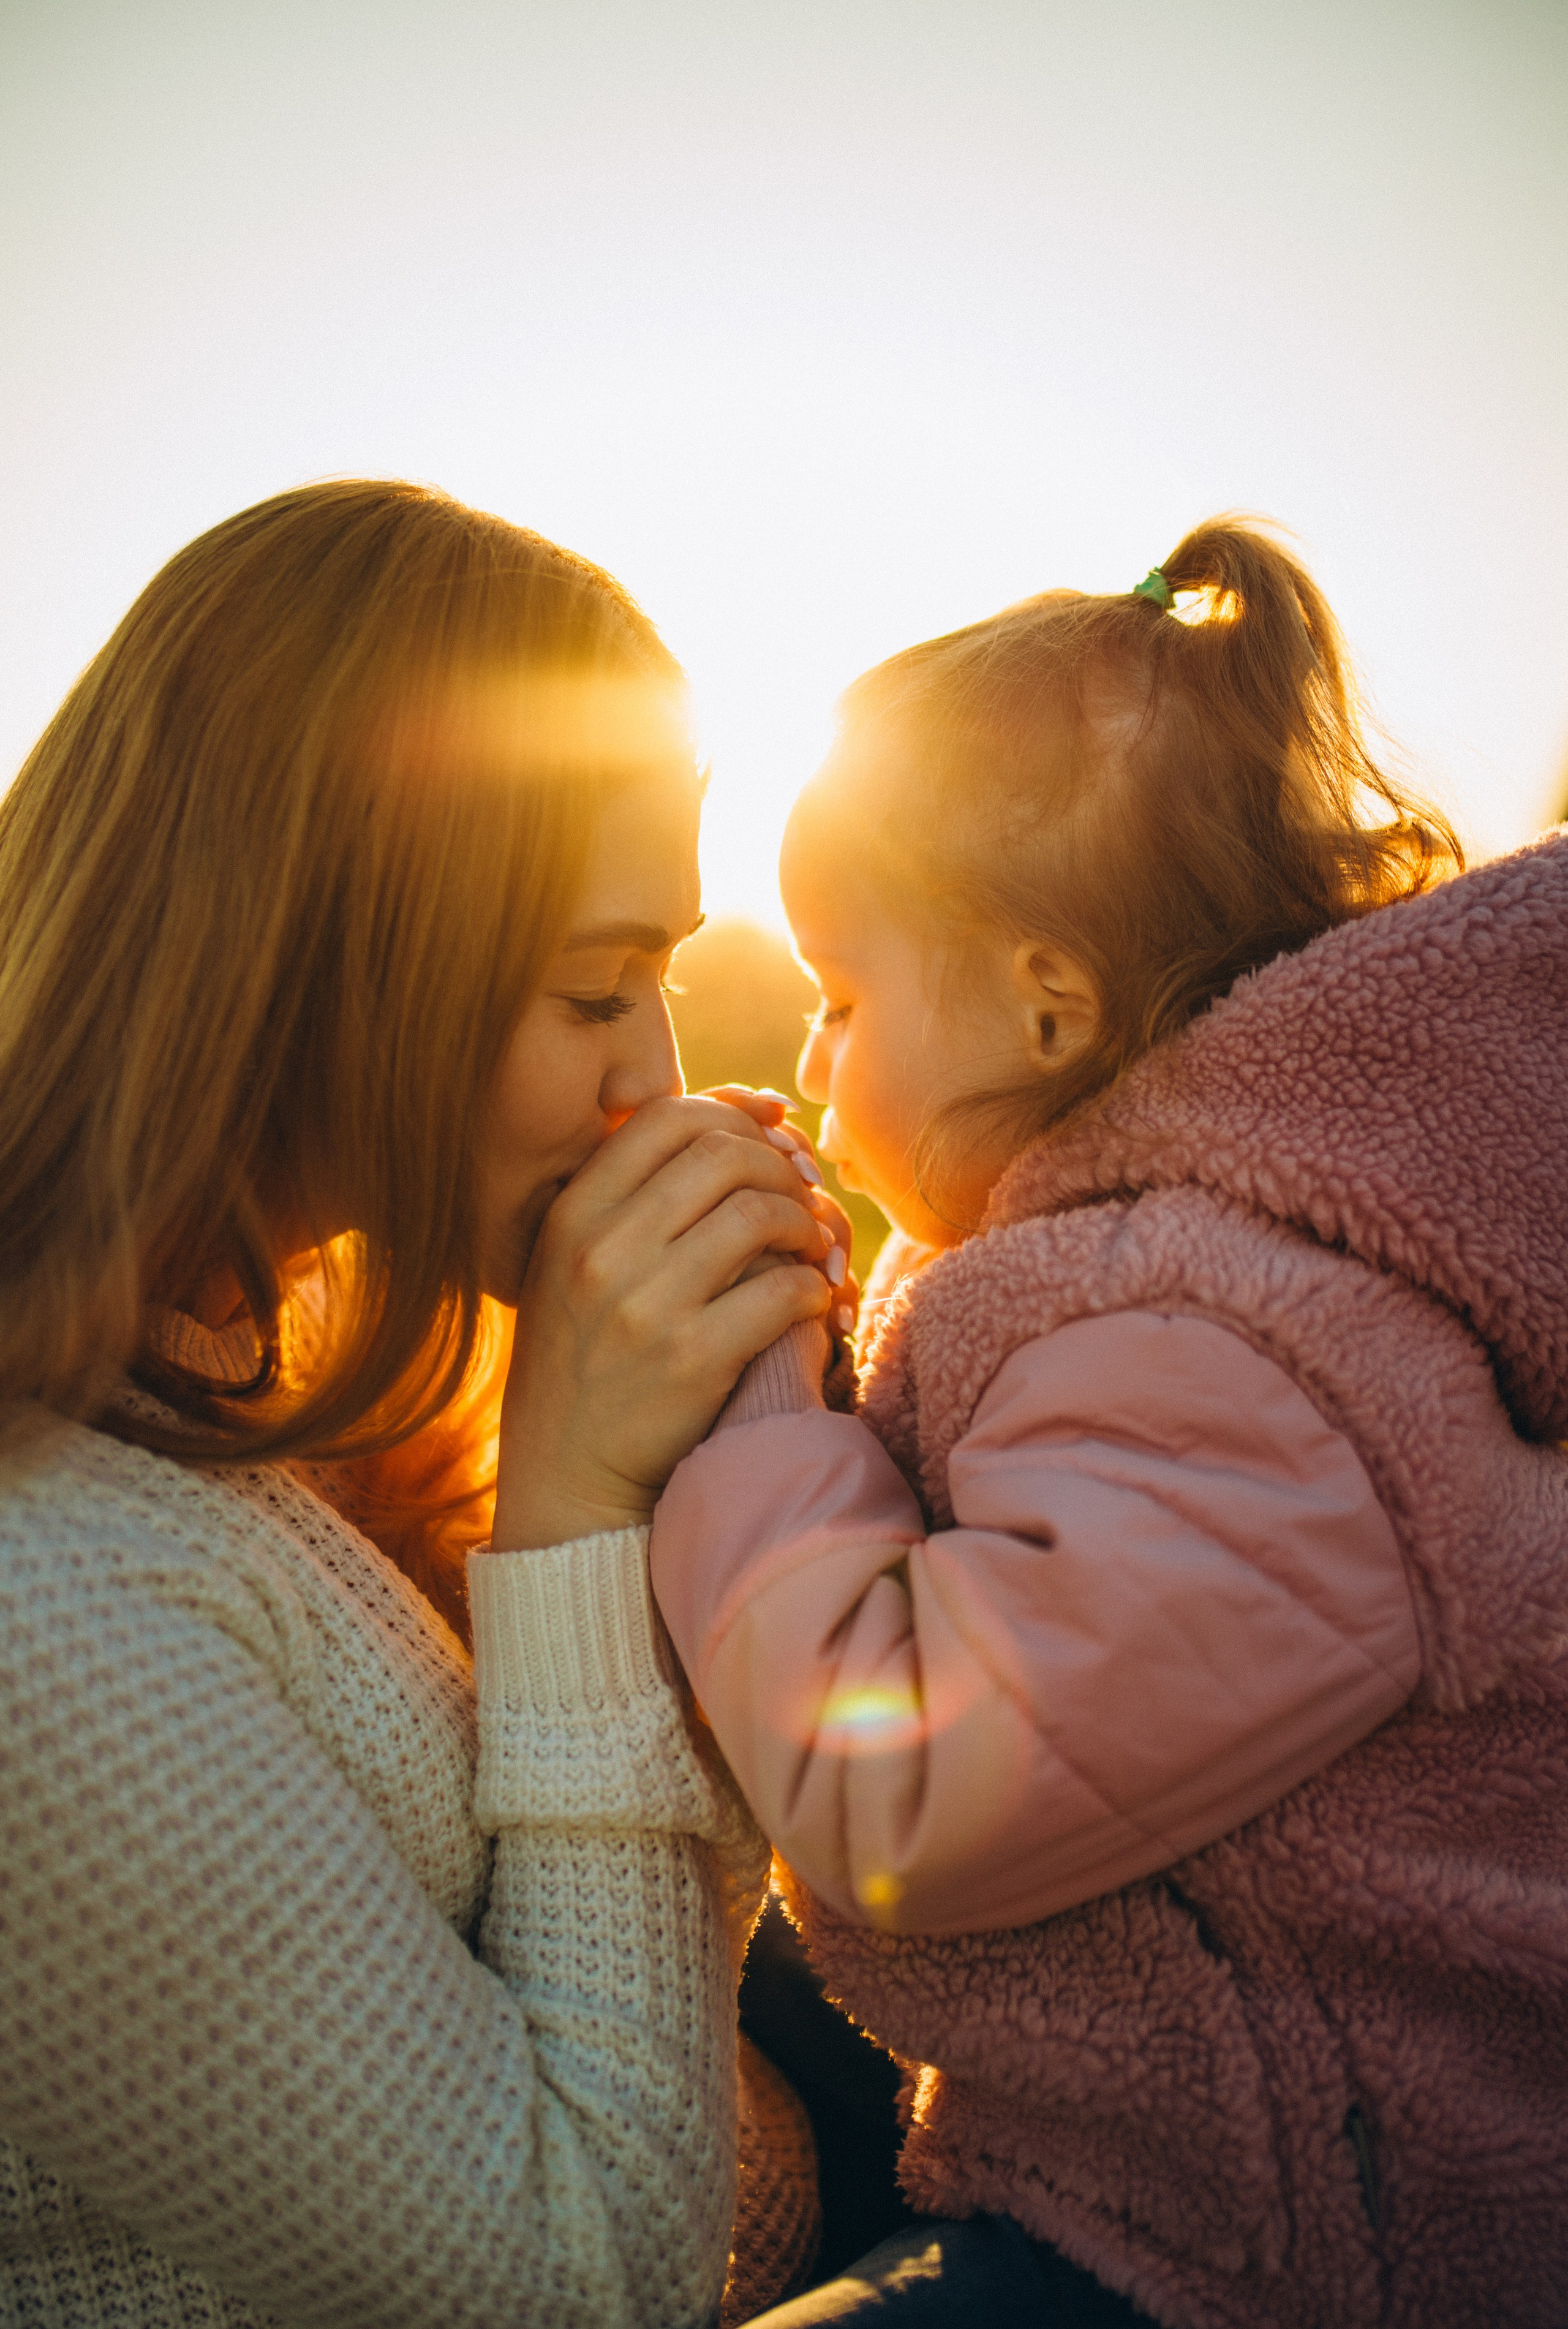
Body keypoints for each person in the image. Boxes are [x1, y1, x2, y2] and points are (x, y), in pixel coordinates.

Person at [649, 520, 1568, 2327]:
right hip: (1164, 2164)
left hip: (1297, 2248)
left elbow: (910, 1780)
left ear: (1045, 1001)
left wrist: (750, 1404)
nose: (817, 1060)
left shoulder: (1249, 1363)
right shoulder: (1155, 1286)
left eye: (841, 998)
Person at [0, 479, 847, 2327]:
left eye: (666, 978)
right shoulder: (38, 1612)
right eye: (590, 987)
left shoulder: (254, 1374)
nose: (658, 1079)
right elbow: (584, 2274)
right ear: (322, 955)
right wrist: (573, 1518)